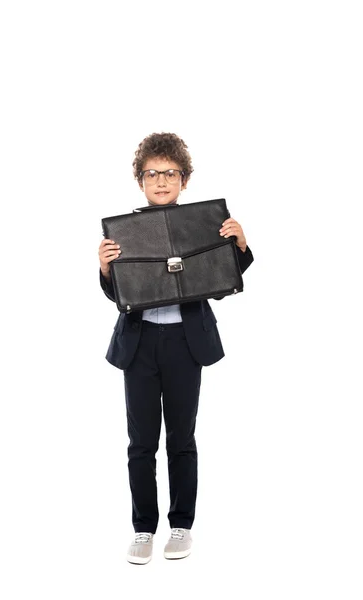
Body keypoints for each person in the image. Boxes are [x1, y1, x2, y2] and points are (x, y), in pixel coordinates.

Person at [98, 132, 254, 564]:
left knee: (181, 438)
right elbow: (120, 296)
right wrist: (107, 269)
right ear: (140, 180)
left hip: (187, 344)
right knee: (140, 442)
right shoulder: (126, 232)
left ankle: (181, 525)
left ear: (184, 180)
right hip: (140, 344)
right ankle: (143, 529)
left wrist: (238, 246)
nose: (161, 180)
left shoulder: (202, 223)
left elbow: (222, 284)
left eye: (170, 173)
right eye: (152, 173)